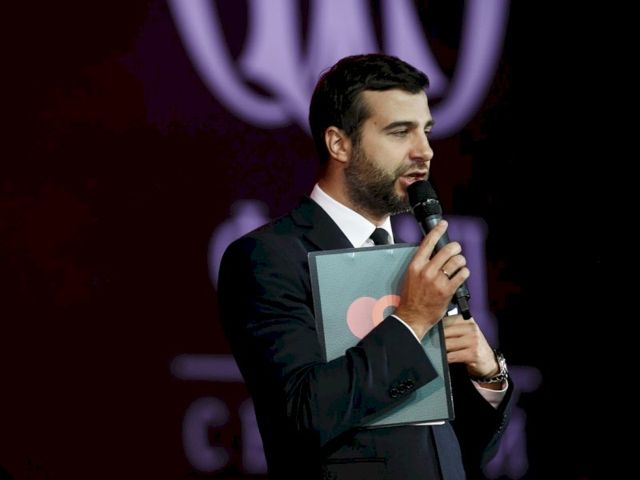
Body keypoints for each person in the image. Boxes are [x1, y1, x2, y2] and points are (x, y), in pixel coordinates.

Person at [218, 53, 513, 479]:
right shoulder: (269, 257)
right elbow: (300, 414)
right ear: (339, 144)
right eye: (400, 132)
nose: (425, 151)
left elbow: (456, 449)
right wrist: (411, 321)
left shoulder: (417, 263)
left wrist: (489, 377)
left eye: (426, 131)